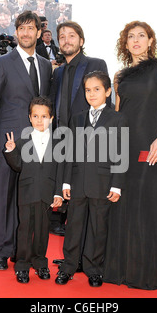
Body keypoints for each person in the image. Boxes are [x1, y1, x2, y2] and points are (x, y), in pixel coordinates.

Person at [103, 21, 157, 290]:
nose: (135, 40)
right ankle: (120, 269)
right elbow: (118, 114)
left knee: (145, 204)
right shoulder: (120, 75)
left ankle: (144, 272)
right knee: (121, 203)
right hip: (124, 146)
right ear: (125, 44)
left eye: (141, 36)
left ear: (150, 40)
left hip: (150, 145)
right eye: (130, 37)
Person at [0, 11, 52, 271]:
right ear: (15, 32)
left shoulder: (45, 65)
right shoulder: (2, 62)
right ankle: (1, 250)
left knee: (29, 200)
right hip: (5, 141)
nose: (25, 33)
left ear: (38, 31)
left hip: (36, 145)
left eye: (30, 28)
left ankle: (21, 251)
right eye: (21, 28)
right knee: (2, 197)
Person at [55, 71, 127, 287]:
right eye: (88, 90)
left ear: (107, 91)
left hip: (103, 183)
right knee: (73, 227)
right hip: (77, 182)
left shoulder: (117, 118)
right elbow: (70, 153)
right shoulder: (77, 118)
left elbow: (121, 154)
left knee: (98, 228)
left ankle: (94, 269)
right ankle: (68, 267)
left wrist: (117, 185)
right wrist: (65, 182)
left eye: (97, 89)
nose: (92, 94)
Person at [50, 20, 109, 236]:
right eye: (62, 36)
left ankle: (87, 256)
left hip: (87, 142)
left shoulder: (96, 64)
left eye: (71, 35)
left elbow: (104, 105)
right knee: (66, 194)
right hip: (61, 141)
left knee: (86, 201)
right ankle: (71, 254)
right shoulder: (57, 73)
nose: (66, 40)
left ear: (81, 41)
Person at [3, 97, 63, 284]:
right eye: (35, 116)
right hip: (27, 192)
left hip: (47, 192)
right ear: (29, 118)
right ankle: (22, 265)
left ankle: (40, 263)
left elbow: (61, 169)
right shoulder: (22, 141)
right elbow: (18, 166)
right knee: (25, 229)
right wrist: (11, 151)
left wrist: (58, 192)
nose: (39, 120)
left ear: (51, 118)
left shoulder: (58, 142)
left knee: (43, 230)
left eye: (44, 116)